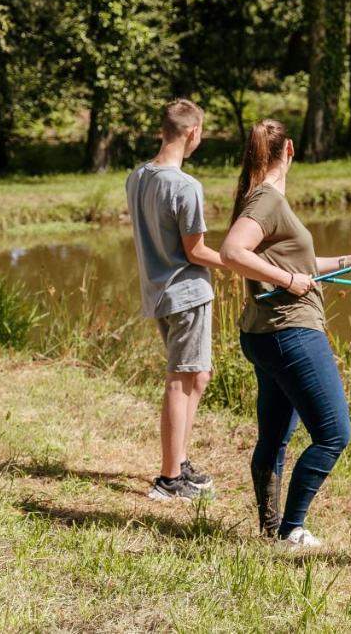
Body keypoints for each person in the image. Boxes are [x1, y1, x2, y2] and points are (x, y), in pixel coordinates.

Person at [220, 119, 351, 549]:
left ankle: (272, 529)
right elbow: (232, 252)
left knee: (274, 437)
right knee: (334, 434)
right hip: (290, 332)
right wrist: (290, 282)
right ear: (289, 149)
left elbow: (294, 261)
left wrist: (350, 258)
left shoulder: (259, 198)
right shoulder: (268, 200)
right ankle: (292, 530)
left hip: (265, 333)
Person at [125, 99, 224, 502]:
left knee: (197, 376)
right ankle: (169, 479)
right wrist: (238, 261)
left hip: (159, 293)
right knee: (180, 380)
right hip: (186, 293)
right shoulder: (185, 186)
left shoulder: (137, 177)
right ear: (192, 133)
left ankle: (179, 462)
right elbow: (196, 251)